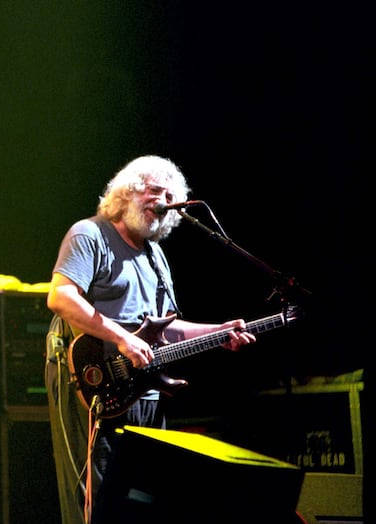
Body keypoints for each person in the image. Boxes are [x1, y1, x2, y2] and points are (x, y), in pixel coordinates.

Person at [45, 155, 256, 524]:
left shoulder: (155, 255)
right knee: (97, 496)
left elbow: (165, 328)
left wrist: (218, 333)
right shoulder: (90, 234)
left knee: (140, 497)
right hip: (92, 381)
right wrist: (122, 339)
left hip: (144, 386)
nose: (163, 201)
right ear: (126, 193)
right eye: (155, 191)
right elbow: (61, 297)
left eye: (170, 196)